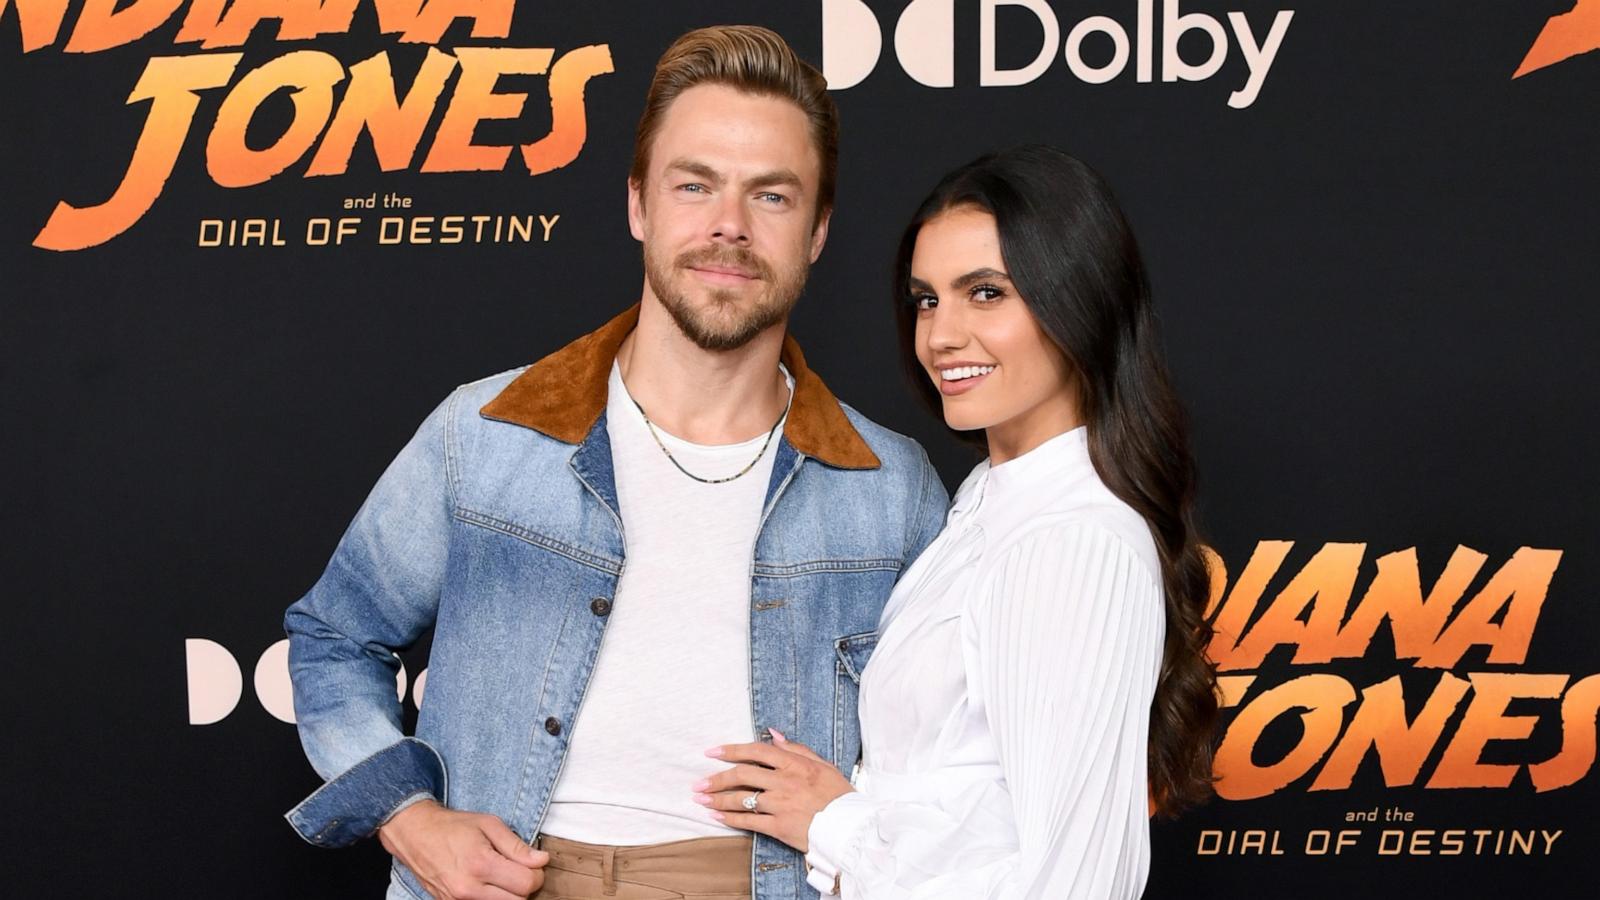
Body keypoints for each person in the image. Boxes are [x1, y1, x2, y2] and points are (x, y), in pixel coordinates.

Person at [283, 26, 948, 900]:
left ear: (818, 230)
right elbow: (334, 639)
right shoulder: (484, 436)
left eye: (773, 197)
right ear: (639, 203)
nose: (729, 227)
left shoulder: (891, 490)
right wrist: (408, 818)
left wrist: (850, 817)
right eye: (694, 184)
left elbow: (964, 755)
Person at [696, 146, 1220, 898]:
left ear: (1079, 301)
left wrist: (836, 825)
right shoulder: (986, 498)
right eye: (927, 298)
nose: (940, 334)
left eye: (985, 293)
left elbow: (1078, 886)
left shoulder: (1071, 540)